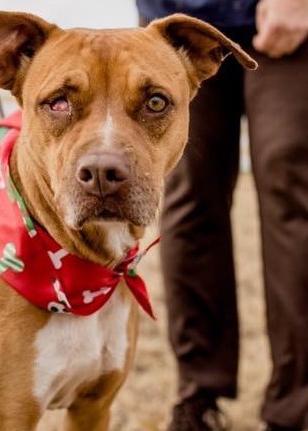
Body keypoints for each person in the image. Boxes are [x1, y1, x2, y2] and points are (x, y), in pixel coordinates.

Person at [135, 0, 308, 430]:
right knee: (187, 192)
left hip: (288, 18)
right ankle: (198, 395)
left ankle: (297, 404)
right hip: (178, 17)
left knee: (291, 189)